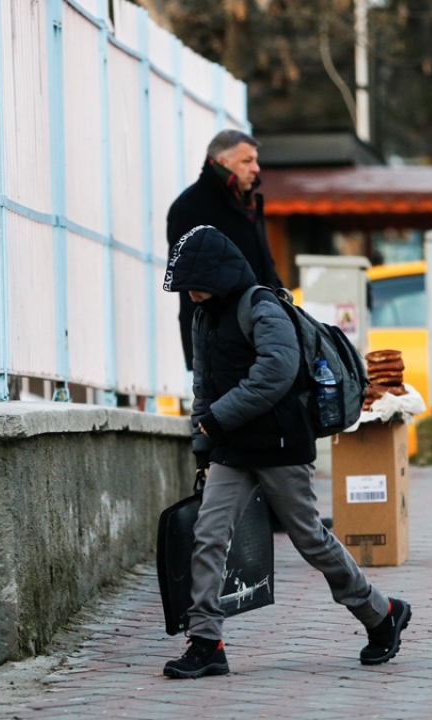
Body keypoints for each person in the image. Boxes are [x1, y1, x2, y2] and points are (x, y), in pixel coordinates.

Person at [160, 224, 411, 679]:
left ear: (217, 274)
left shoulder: (261, 306)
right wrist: (203, 444)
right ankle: (206, 642)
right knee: (208, 535)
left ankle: (382, 612)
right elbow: (203, 382)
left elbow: (276, 372)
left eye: (195, 284)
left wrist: (217, 419)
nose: (190, 294)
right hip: (232, 450)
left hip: (280, 446)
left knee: (310, 539)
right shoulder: (204, 317)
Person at [167, 130, 281, 371]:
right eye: (247, 161)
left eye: (255, 160)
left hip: (259, 328)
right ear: (222, 163)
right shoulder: (190, 206)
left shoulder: (245, 202)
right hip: (221, 342)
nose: (256, 168)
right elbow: (190, 283)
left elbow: (264, 264)